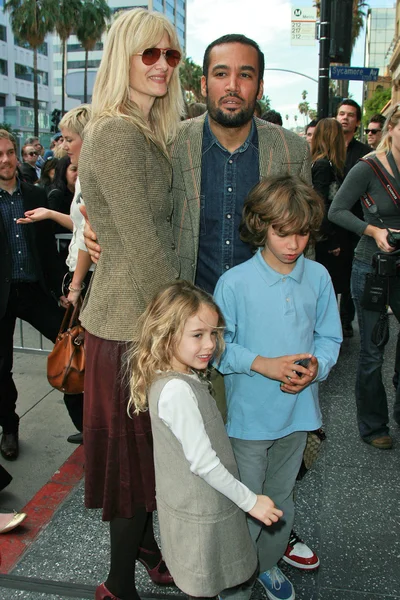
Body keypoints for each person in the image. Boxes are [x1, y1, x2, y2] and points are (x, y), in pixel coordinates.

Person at [84, 32, 319, 574]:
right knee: (200, 445)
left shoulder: (292, 150)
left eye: (245, 74)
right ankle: (214, 543)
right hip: (190, 330)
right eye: (220, 73)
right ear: (204, 81)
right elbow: (107, 195)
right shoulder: (172, 139)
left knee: (273, 438)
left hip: (264, 329)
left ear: (259, 82)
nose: (232, 86)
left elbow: (302, 235)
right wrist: (85, 232)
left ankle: (269, 528)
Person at [77, 9, 184, 600]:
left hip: (147, 324)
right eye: (150, 54)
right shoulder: (115, 132)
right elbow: (144, 250)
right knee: (135, 467)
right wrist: (189, 326)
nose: (163, 66)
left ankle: (143, 549)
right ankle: (117, 586)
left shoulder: (153, 132)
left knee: (145, 460)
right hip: (128, 328)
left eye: (170, 55)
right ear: (124, 58)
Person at [214, 175, 342, 600]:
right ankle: (235, 581)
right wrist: (263, 364)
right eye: (281, 232)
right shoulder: (234, 283)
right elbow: (217, 349)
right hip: (249, 419)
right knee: (247, 507)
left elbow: (329, 337)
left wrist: (316, 366)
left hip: (299, 414)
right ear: (259, 225)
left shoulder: (319, 276)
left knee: (281, 500)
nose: (293, 243)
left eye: (302, 233)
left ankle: (266, 565)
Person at [128, 281, 282, 599]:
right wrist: (251, 501)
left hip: (191, 505)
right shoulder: (177, 391)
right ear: (166, 334)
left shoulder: (173, 376)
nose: (210, 344)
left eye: (213, 333)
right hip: (200, 513)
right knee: (203, 584)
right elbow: (203, 463)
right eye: (198, 335)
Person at [17, 105, 94, 446]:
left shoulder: (93, 175)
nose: (63, 145)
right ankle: (90, 427)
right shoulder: (83, 172)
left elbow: (89, 239)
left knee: (77, 356)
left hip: (87, 281)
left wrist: (75, 287)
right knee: (78, 356)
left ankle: (94, 429)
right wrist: (49, 213)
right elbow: (79, 227)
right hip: (80, 278)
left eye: (69, 138)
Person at [329, 104, 400, 450]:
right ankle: (374, 426)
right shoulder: (368, 167)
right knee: (373, 349)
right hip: (371, 267)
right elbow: (336, 210)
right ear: (391, 129)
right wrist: (373, 230)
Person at [0, 129, 67, 461]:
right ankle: (9, 429)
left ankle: (86, 421)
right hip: (1, 296)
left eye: (10, 152)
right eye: (0, 154)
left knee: (70, 344)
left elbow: (48, 251)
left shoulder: (36, 195)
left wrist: (62, 290)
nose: (6, 159)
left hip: (33, 290)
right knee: (1, 368)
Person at [336, 99, 371, 338]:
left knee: (350, 272)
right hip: (332, 222)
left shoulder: (366, 154)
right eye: (341, 113)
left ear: (357, 121)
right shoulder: (328, 148)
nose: (345, 118)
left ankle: (346, 319)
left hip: (356, 224)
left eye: (350, 115)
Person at [311, 118, 350, 296]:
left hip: (327, 237)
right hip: (326, 240)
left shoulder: (326, 164)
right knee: (326, 293)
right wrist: (330, 241)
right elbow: (321, 204)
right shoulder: (323, 165)